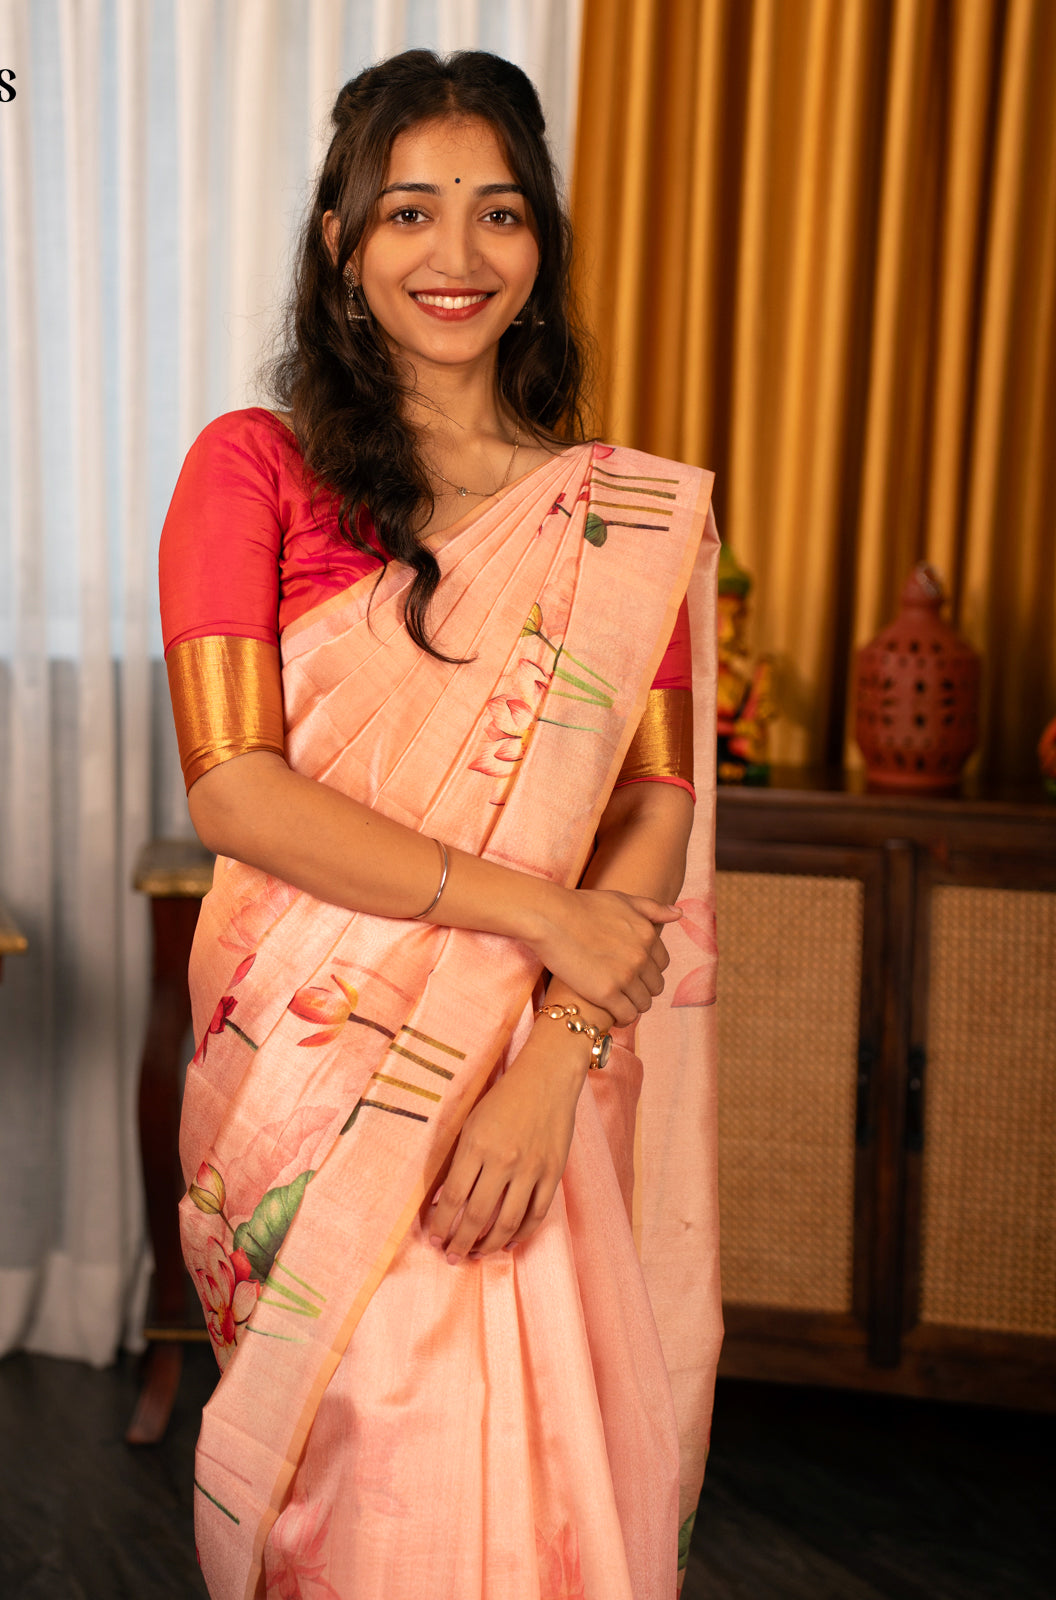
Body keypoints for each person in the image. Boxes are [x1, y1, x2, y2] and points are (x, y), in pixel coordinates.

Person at [158, 48, 722, 1600]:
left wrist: (551, 1061)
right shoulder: (251, 470)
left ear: (540, 249)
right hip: (304, 1063)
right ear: (343, 244)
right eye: (409, 212)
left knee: (523, 1477)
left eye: (497, 214)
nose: (456, 256)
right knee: (357, 1458)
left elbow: (654, 806)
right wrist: (541, 917)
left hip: (527, 1076)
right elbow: (236, 789)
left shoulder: (620, 519)